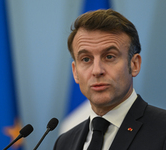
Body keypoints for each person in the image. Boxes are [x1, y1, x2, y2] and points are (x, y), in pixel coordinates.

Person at [53, 9, 166, 150]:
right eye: (86, 59)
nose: (97, 71)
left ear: (134, 64)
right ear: (75, 72)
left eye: (109, 57)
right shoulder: (64, 143)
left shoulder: (162, 130)